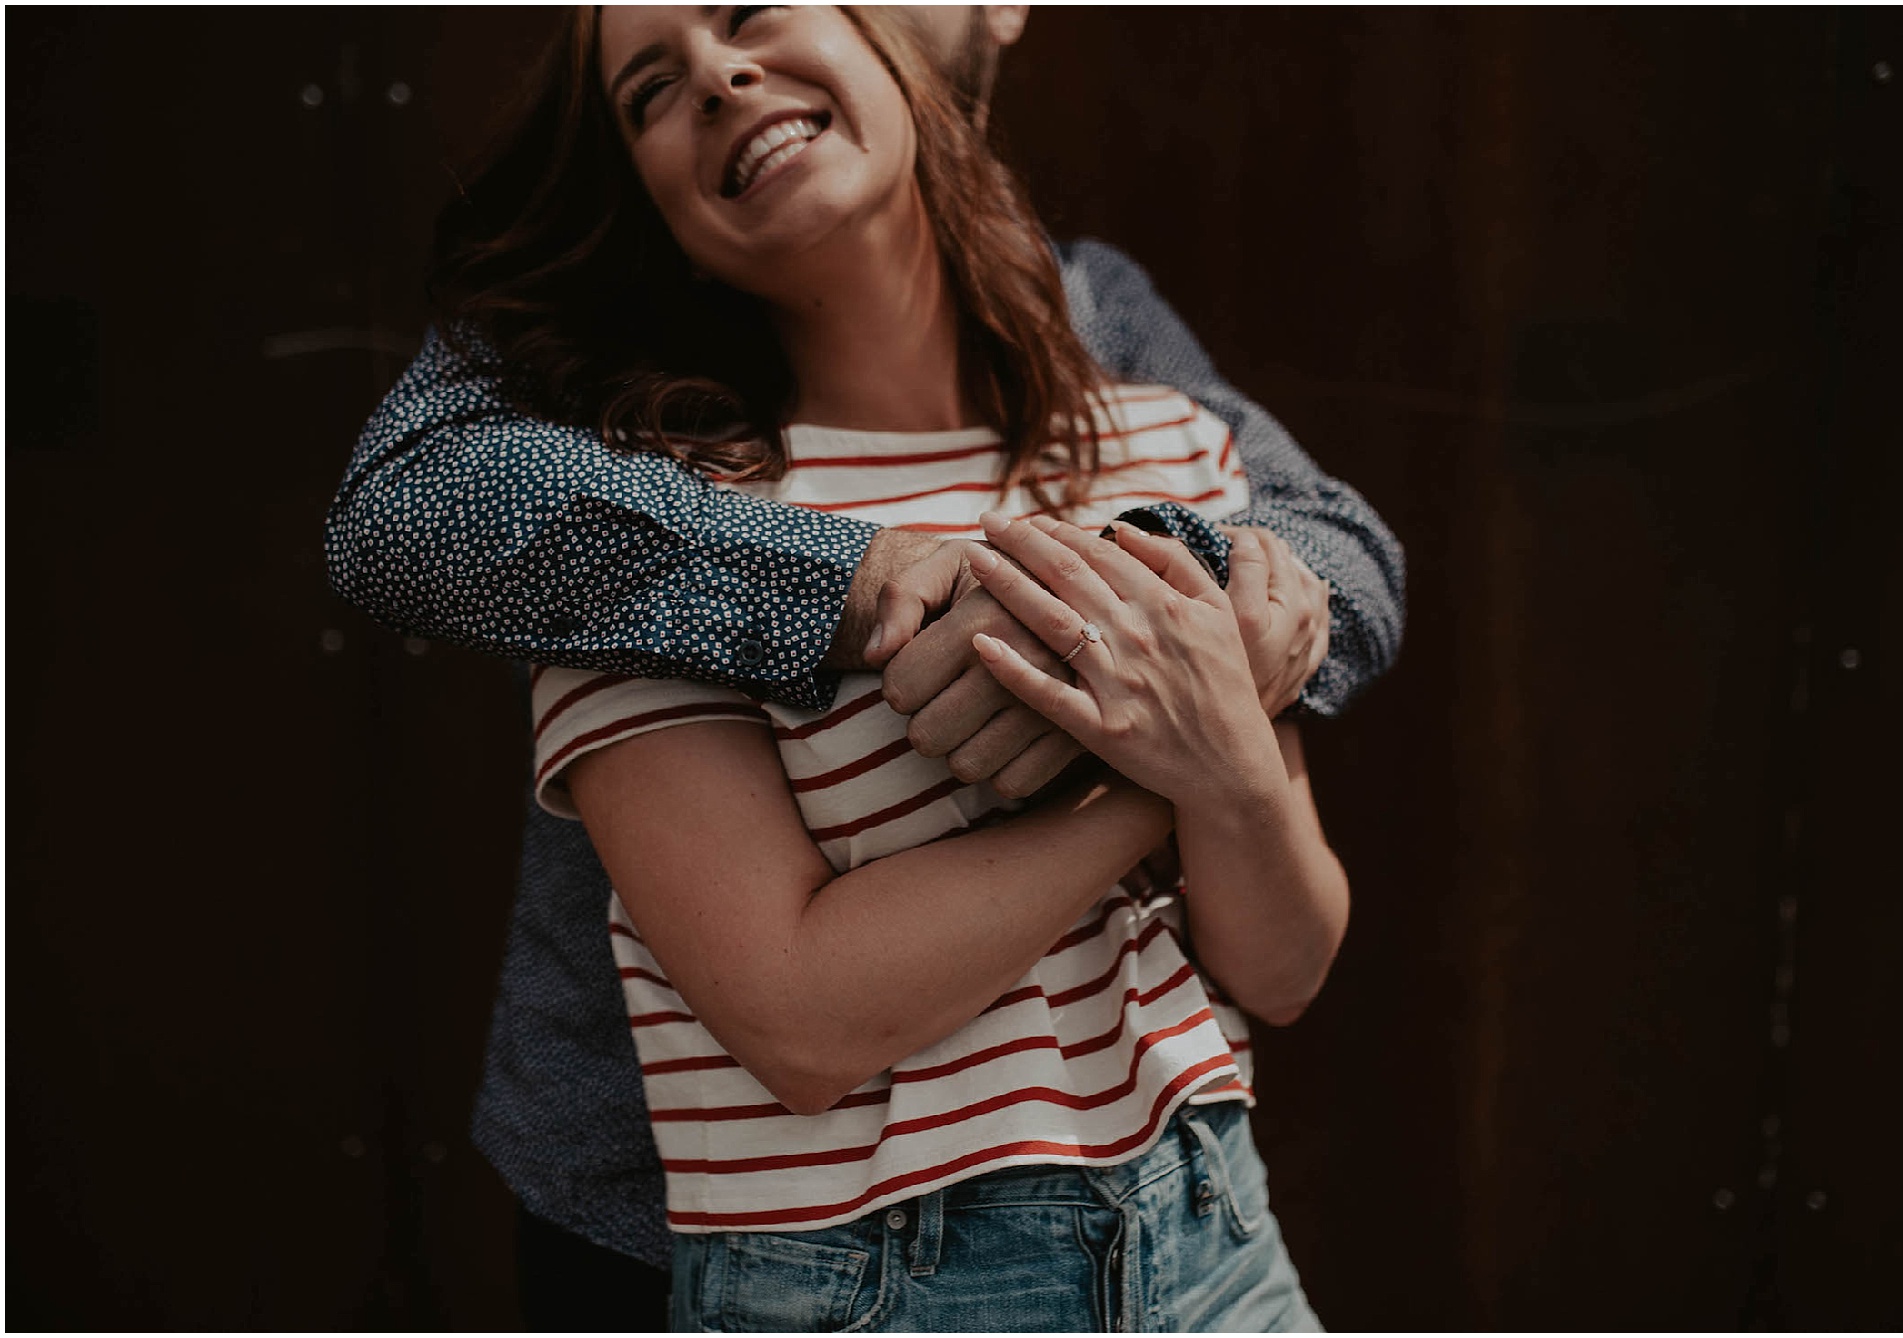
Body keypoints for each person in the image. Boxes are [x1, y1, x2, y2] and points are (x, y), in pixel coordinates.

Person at [322, 6, 1404, 1326]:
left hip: (1215, 1244)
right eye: (652, 86)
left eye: (752, 10)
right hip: (782, 1247)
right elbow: (798, 1012)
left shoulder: (1135, 404)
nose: (720, 70)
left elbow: (1332, 580)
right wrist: (1154, 737)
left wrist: (1188, 674)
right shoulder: (630, 497)